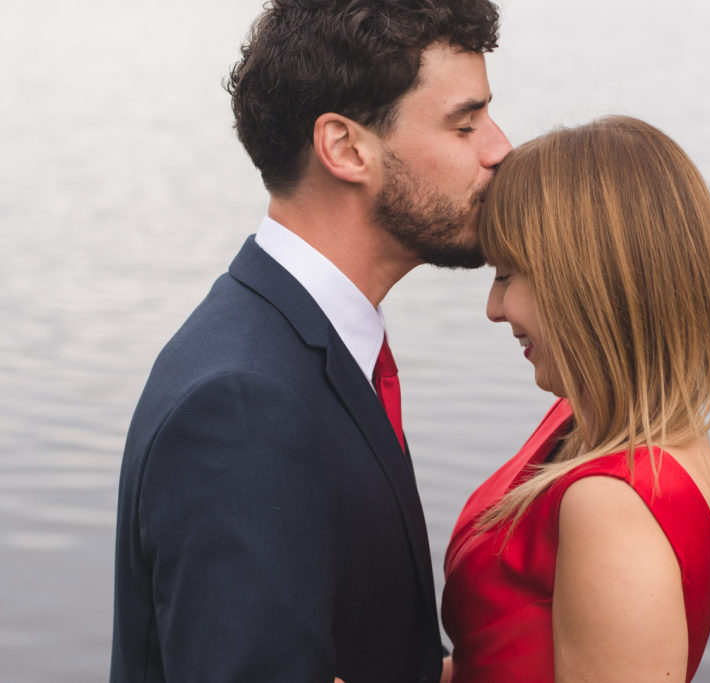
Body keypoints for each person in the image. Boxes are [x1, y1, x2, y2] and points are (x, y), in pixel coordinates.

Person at [110, 1, 510, 681]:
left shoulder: (303, 346)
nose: (499, 146)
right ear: (346, 148)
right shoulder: (241, 406)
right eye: (465, 123)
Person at [441, 116, 710, 682]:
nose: (493, 308)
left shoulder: (614, 503)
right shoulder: (589, 424)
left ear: (581, 281)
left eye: (507, 275)